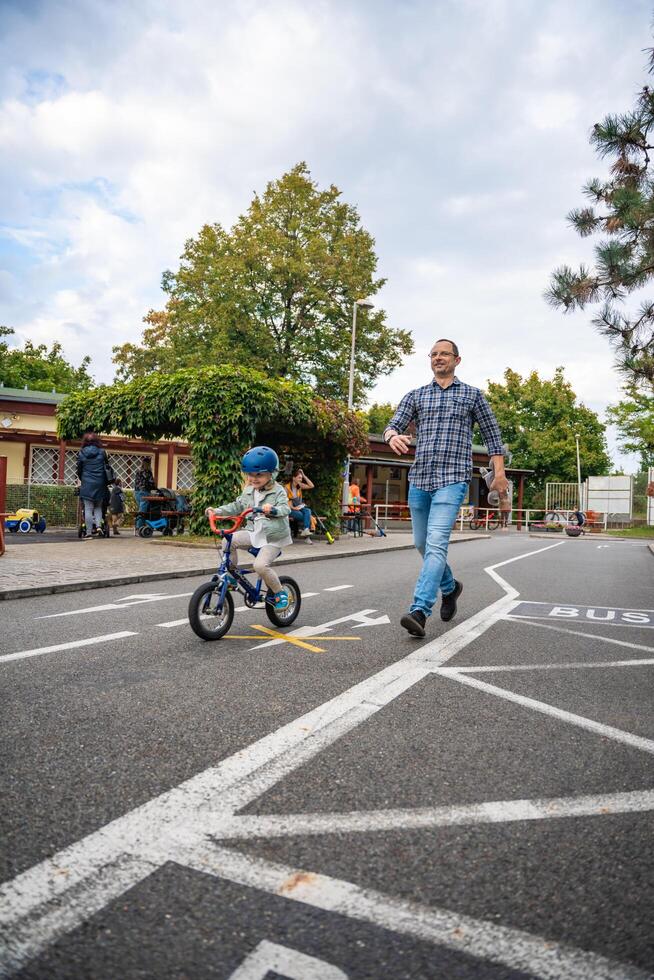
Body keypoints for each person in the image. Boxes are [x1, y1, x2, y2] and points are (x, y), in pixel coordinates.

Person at [383, 338, 508, 637]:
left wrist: (500, 475)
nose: (439, 358)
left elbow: (493, 438)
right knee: (421, 544)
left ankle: (419, 611)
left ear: (457, 360)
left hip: (452, 480)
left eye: (444, 354)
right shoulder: (416, 396)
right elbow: (393, 424)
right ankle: (450, 588)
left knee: (437, 543)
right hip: (420, 479)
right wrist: (391, 437)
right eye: (434, 354)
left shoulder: (473, 396)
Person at [205, 446, 292, 610]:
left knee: (259, 566)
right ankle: (231, 574)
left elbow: (285, 509)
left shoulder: (278, 490)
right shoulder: (249, 489)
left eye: (259, 474)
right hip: (254, 532)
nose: (254, 478)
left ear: (272, 473)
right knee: (228, 541)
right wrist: (215, 511)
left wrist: (272, 510)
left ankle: (280, 593)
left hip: (273, 537)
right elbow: (237, 506)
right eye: (250, 474)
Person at [76, 432, 110, 539]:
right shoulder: (102, 452)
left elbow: (79, 469)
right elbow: (107, 466)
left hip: (87, 483)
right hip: (100, 483)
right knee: (98, 507)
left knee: (88, 508)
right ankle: (99, 526)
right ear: (97, 441)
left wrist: (83, 479)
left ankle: (89, 532)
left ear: (85, 442)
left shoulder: (81, 453)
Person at [285, 466, 314, 539]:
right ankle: (306, 532)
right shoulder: (286, 488)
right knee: (306, 516)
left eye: (301, 478)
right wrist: (294, 508)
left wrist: (304, 475)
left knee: (308, 511)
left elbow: (311, 485)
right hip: (290, 509)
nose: (301, 479)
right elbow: (285, 501)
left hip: (299, 508)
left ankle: (306, 530)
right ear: (294, 478)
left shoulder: (299, 486)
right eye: (299, 478)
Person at [134, 457, 156, 529]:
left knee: (140, 509)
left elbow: (136, 483)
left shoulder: (138, 471)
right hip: (144, 492)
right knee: (143, 510)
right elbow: (151, 483)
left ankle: (140, 525)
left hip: (136, 492)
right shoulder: (148, 472)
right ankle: (140, 526)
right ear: (148, 464)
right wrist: (156, 489)